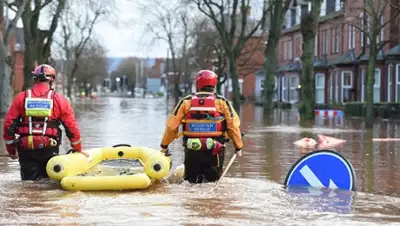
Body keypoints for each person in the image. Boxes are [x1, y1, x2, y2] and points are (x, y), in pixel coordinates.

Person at [2, 64, 90, 180]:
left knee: (28, 185)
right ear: (52, 80)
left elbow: (8, 125)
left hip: (26, 149)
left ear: (35, 78)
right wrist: (78, 149)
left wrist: (12, 150)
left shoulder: (21, 98)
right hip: (50, 148)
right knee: (48, 184)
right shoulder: (60, 100)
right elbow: (72, 128)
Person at [159, 69, 244, 184]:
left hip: (192, 149)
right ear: (214, 84)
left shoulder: (185, 102)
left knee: (190, 183)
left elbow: (171, 127)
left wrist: (164, 146)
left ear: (198, 84)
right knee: (212, 183)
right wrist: (238, 146)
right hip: (215, 150)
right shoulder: (222, 102)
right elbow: (233, 126)